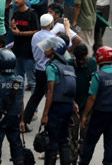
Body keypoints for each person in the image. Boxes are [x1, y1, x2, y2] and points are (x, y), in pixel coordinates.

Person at [78, 46, 112, 165]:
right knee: (109, 143)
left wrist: (85, 115)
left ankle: (84, 163)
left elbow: (92, 98)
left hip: (99, 115)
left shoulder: (97, 76)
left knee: (91, 142)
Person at [40, 36, 77, 165]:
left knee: (52, 141)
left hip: (56, 108)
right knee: (64, 139)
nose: (45, 49)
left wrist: (45, 114)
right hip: (67, 107)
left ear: (55, 50)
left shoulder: (51, 67)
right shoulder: (69, 68)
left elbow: (50, 91)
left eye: (49, 47)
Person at [0, 49, 25, 165]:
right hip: (14, 117)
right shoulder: (19, 81)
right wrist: (22, 120)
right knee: (16, 143)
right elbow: (21, 101)